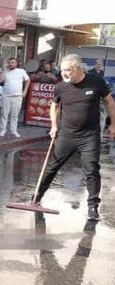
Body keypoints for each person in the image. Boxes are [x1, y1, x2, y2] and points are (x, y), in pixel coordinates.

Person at [34, 54, 115, 220]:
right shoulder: (61, 87)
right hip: (67, 134)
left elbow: (109, 102)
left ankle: (93, 207)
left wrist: (113, 124)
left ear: (78, 69)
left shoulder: (96, 81)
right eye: (62, 70)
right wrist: (54, 126)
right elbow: (54, 106)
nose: (63, 73)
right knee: (52, 167)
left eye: (67, 70)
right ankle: (36, 197)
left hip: (89, 136)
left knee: (92, 170)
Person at [0, 57, 30, 138]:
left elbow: (28, 80)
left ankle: (14, 131)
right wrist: (3, 70)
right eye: (9, 62)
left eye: (12, 62)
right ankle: (3, 130)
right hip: (6, 95)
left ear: (16, 64)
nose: (11, 64)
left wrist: (25, 90)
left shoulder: (21, 71)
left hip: (18, 96)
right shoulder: (5, 71)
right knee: (4, 114)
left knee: (15, 115)